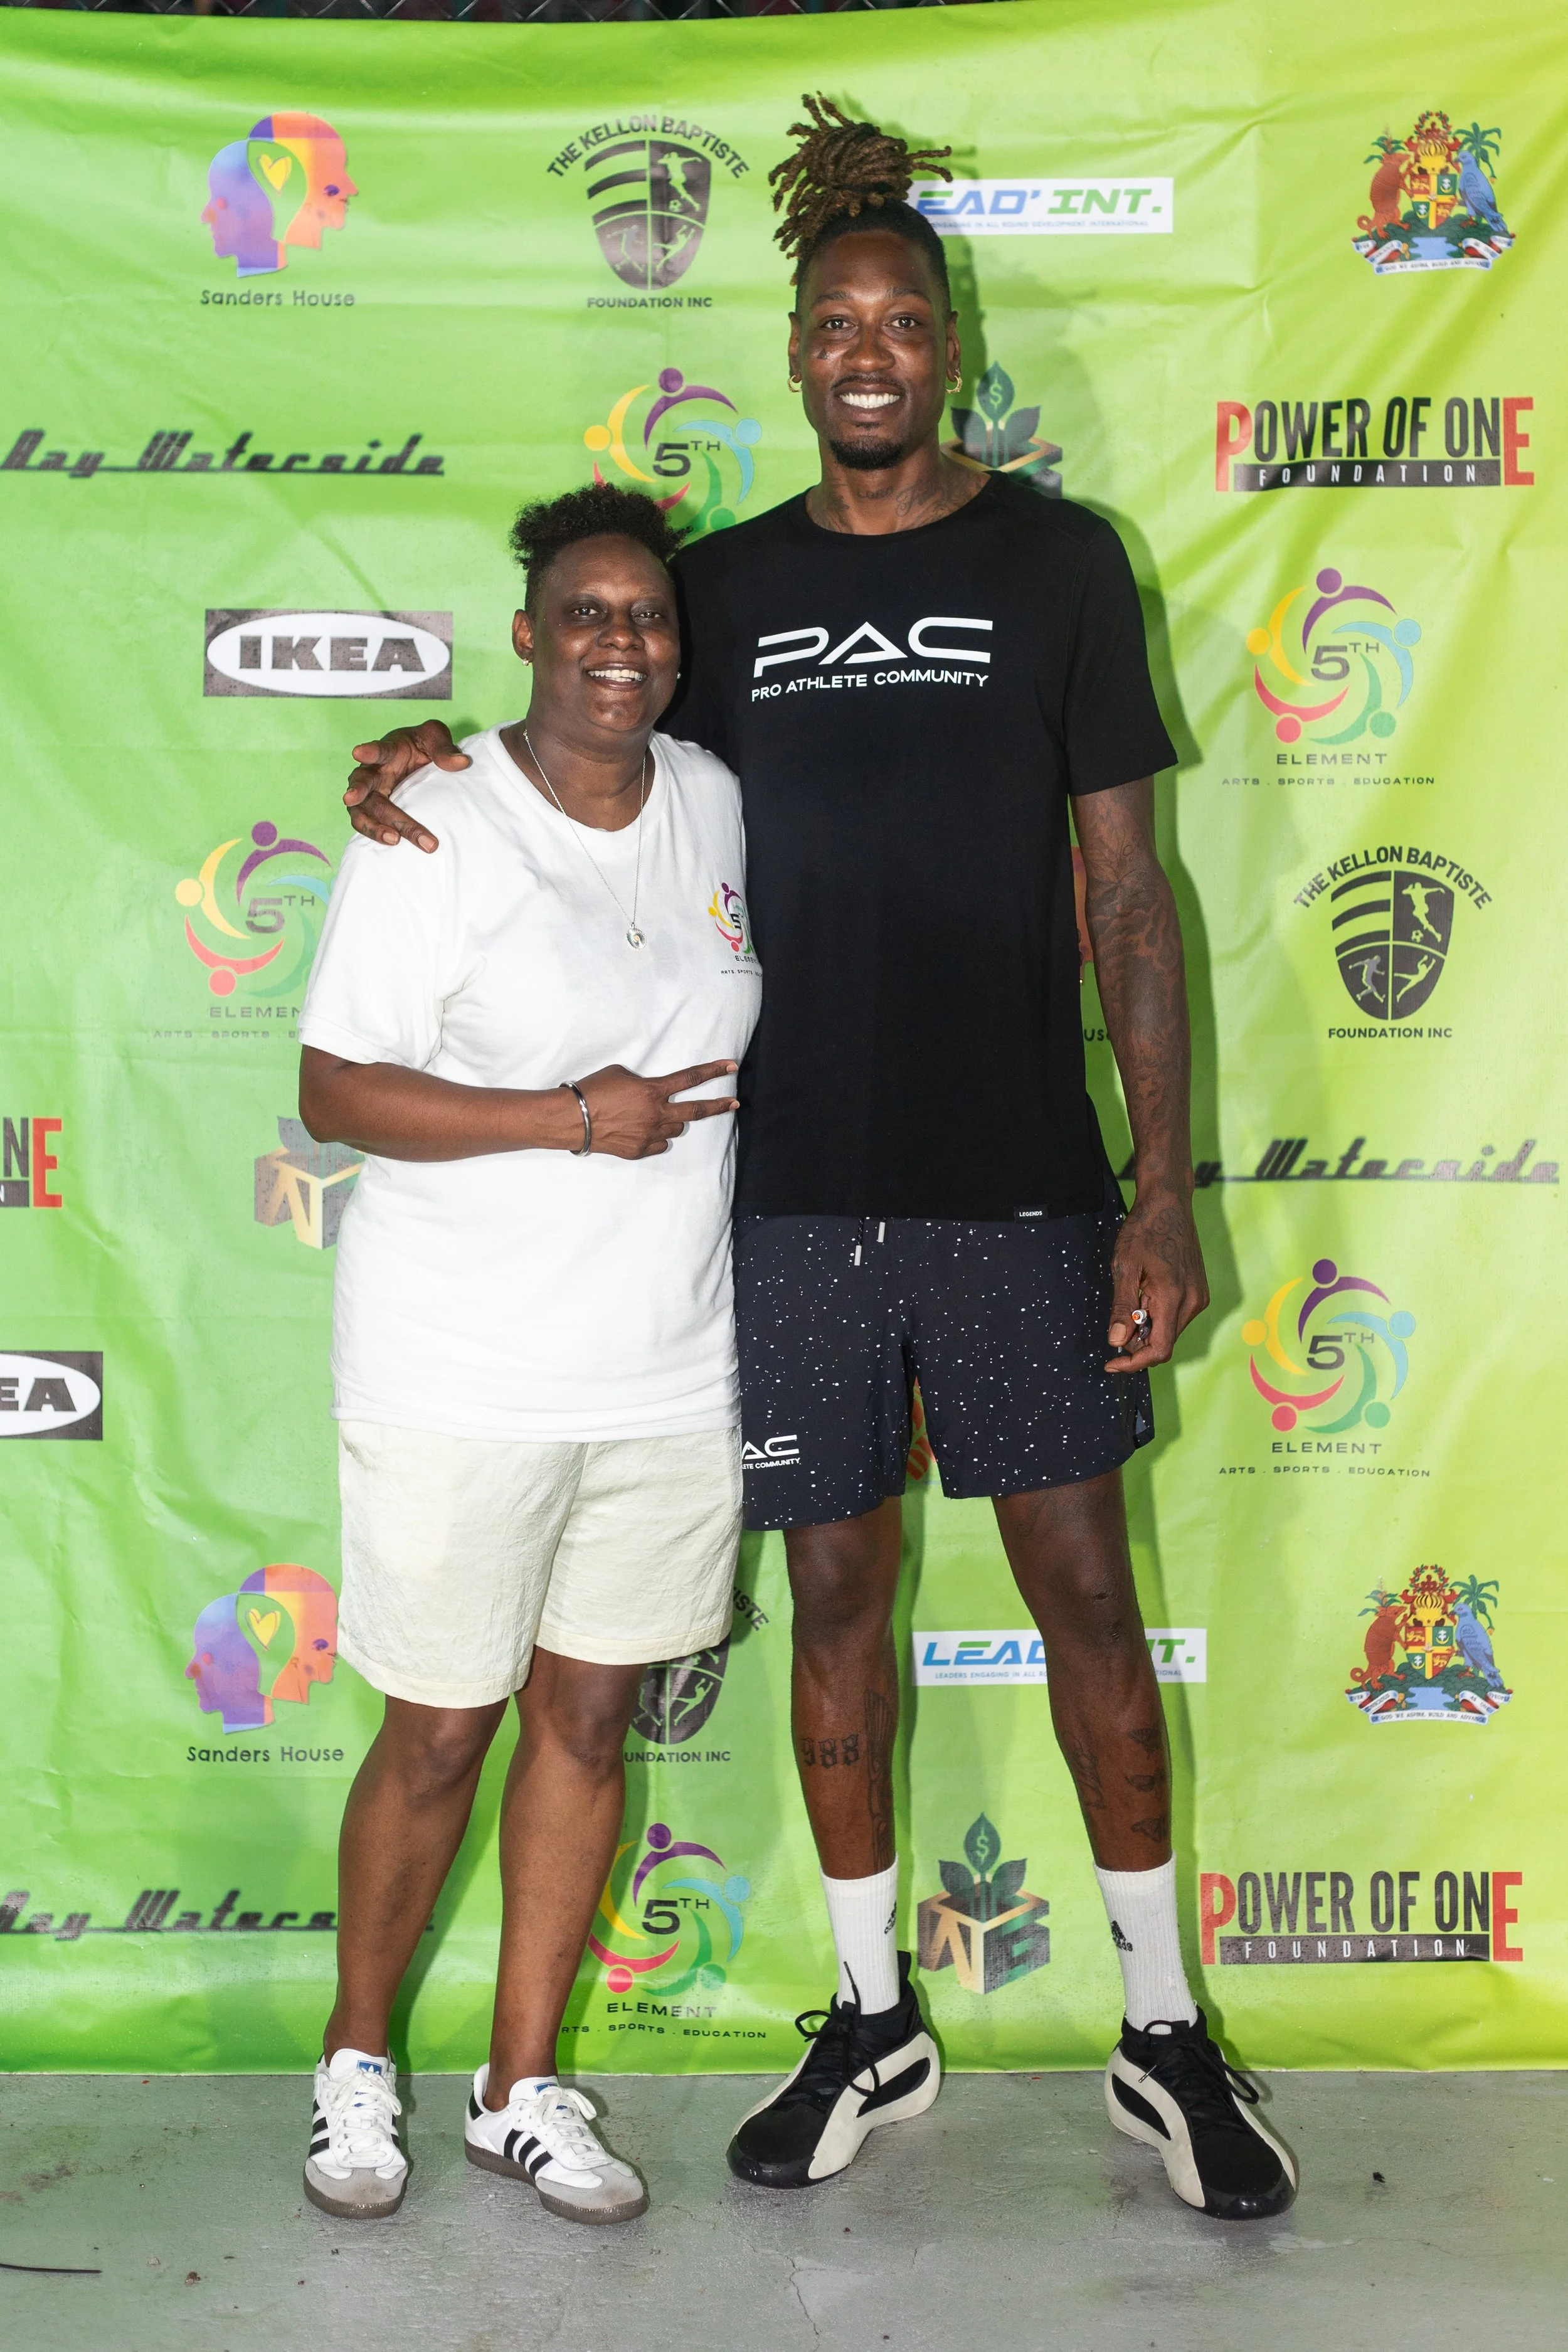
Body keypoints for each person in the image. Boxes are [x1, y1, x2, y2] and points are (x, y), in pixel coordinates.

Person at [344, 97, 1296, 2225]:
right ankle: (870, 2012)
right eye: (834, 322)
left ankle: (1161, 2027)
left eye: (901, 318)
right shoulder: (721, 588)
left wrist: (1157, 1185)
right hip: (781, 1208)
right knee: (838, 1602)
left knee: (1083, 1600)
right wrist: (408, 753)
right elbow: (561, 740)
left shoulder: (1057, 563)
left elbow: (1127, 899)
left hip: (1027, 1188)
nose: (868, 349)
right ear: (792, 352)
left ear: (943, 343)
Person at [296, 484, 758, 2225]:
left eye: (644, 616)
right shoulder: (433, 821)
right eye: (584, 613)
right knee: (436, 1730)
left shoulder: (712, 799)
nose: (618, 642)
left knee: (586, 1716)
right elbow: (334, 1089)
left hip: (662, 1367)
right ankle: (355, 2060)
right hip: (460, 1368)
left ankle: (516, 2082)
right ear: (528, 633)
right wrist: (573, 1116)